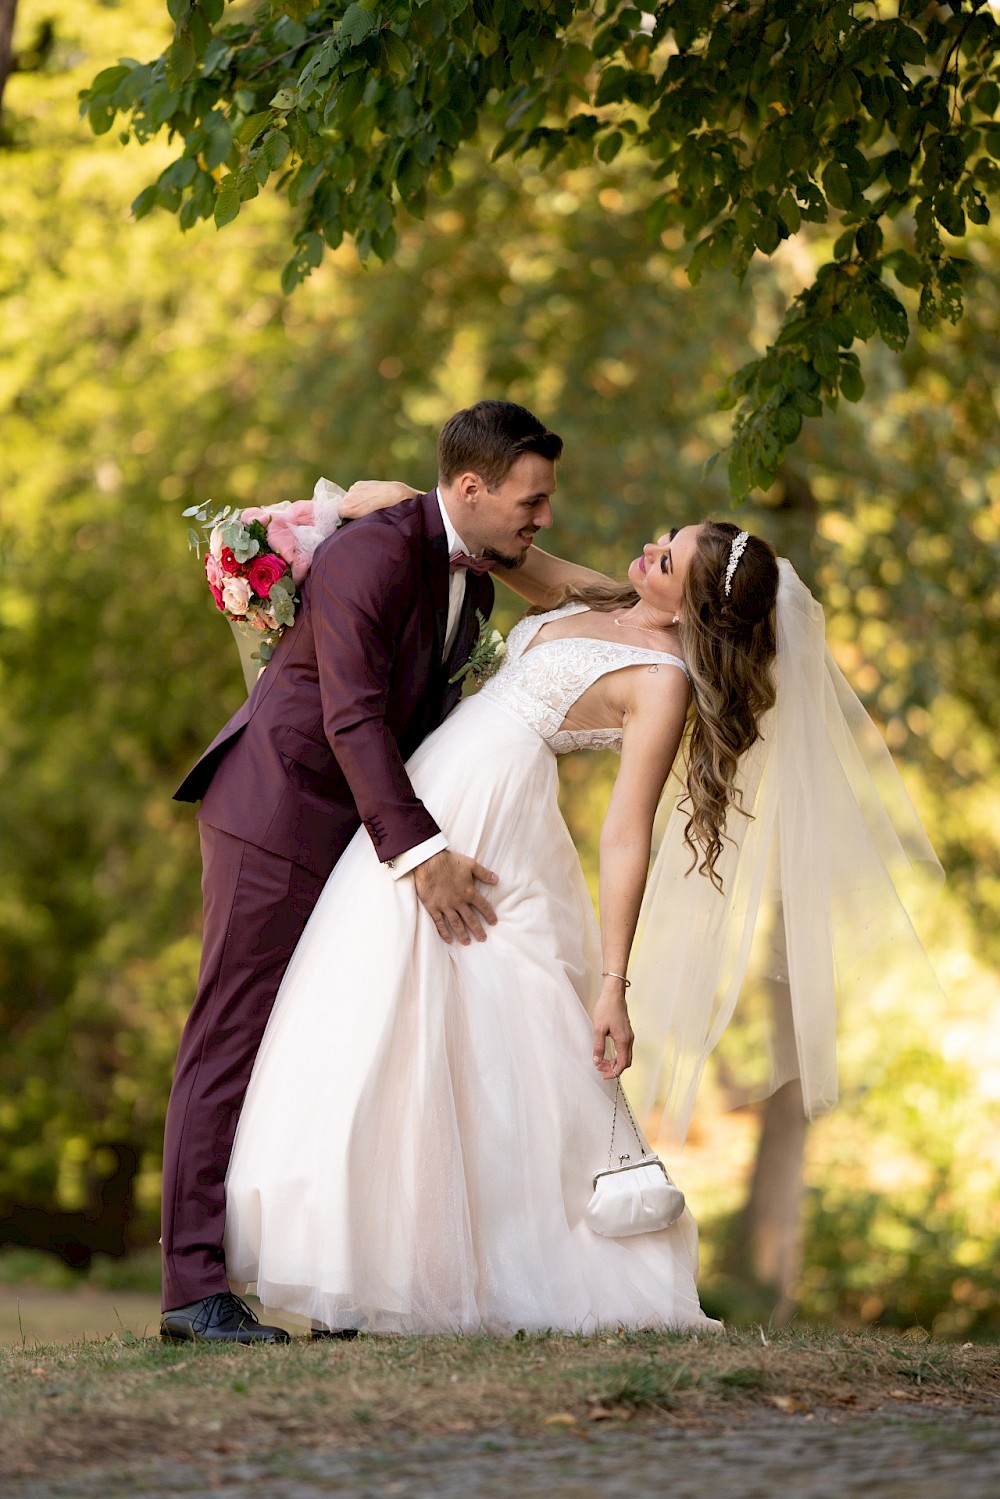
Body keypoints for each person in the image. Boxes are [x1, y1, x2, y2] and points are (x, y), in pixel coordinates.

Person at [221, 513, 789, 1335]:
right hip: (435, 789)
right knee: (374, 1010)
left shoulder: (660, 678)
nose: (646, 549)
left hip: (493, 820)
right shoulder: (598, 592)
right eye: (664, 533)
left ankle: (482, 1268)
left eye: (666, 559)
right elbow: (489, 543)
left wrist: (613, 985)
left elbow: (628, 831)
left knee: (471, 1029)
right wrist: (371, 505)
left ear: (689, 607)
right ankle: (364, 1261)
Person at [160, 401, 563, 1343]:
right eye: (531, 500)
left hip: (349, 836)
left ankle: (338, 1273)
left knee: (325, 1044)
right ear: (471, 487)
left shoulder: (476, 581)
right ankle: (191, 1287)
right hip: (276, 814)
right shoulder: (373, 553)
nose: (541, 519)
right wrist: (420, 855)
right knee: (231, 1037)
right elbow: (351, 719)